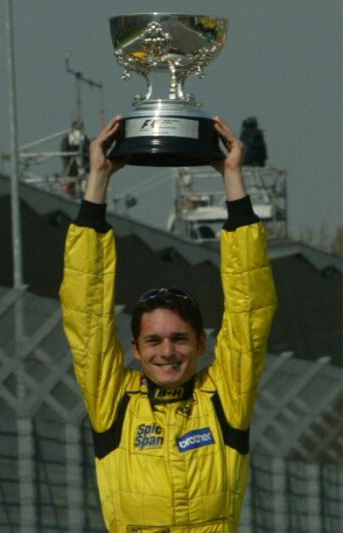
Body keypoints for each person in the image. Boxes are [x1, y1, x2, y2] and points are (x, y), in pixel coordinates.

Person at [60, 115, 277, 533]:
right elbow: (84, 311)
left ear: (201, 344)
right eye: (153, 340)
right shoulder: (114, 399)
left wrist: (232, 178)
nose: (166, 351)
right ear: (135, 349)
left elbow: (252, 309)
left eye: (180, 338)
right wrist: (97, 183)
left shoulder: (225, 395)